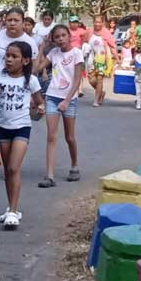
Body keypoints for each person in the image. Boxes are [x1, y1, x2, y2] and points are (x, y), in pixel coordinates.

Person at [0, 41, 44, 228]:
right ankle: (10, 207)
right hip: (4, 128)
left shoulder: (30, 80)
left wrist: (39, 108)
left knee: (14, 167)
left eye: (14, 56)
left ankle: (14, 211)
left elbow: (39, 102)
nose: (9, 59)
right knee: (8, 170)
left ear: (24, 61)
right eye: (7, 55)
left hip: (22, 127)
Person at [0, 7, 38, 179]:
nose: (12, 23)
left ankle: (11, 163)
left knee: (10, 128)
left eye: (16, 20)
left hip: (16, 91)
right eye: (9, 20)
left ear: (23, 23)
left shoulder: (29, 42)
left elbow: (33, 69)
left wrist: (32, 93)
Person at [33, 24, 83, 188]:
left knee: (70, 137)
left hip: (69, 99)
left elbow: (77, 80)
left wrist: (67, 100)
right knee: (51, 136)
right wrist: (43, 47)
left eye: (63, 35)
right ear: (53, 40)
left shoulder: (77, 54)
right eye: (57, 37)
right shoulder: (53, 53)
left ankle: (74, 165)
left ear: (69, 36)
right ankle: (50, 175)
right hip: (53, 97)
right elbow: (36, 70)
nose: (61, 39)